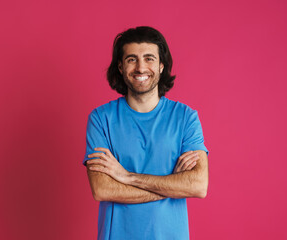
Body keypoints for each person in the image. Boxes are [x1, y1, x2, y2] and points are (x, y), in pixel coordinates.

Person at [83, 26, 209, 240]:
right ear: (121, 67)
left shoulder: (186, 117)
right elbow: (102, 189)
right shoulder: (101, 119)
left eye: (149, 58)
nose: (141, 68)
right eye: (132, 59)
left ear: (161, 66)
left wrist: (127, 177)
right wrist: (172, 185)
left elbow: (198, 185)